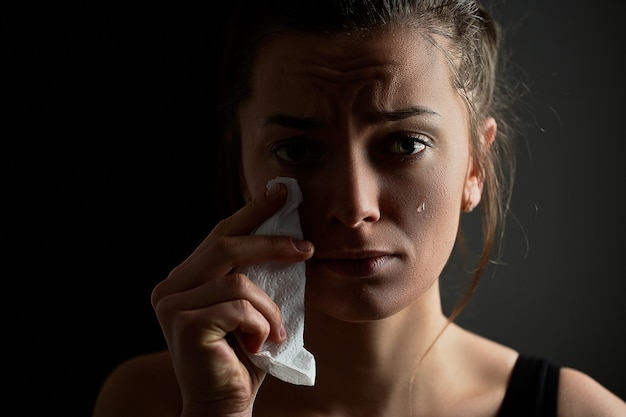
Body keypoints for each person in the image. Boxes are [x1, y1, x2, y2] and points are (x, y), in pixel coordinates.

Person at [92, 1, 626, 416]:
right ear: (244, 169)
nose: (353, 208)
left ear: (474, 168)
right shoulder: (154, 403)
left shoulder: (579, 411)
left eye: (404, 144)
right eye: (297, 151)